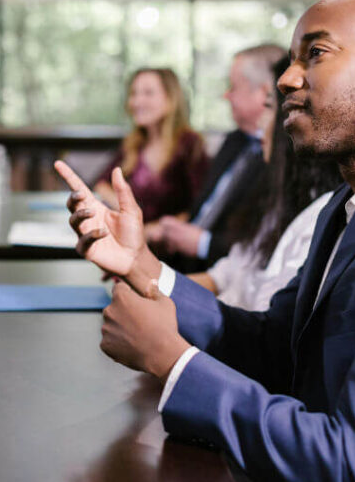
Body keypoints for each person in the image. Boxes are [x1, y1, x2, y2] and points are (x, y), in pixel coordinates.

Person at [56, 0, 355, 482]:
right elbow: (279, 347)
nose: (286, 79)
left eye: (315, 54)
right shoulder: (353, 202)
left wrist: (174, 362)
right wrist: (145, 266)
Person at [190, 56, 342, 310]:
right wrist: (146, 279)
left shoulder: (319, 217)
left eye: (269, 107)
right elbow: (224, 275)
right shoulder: (278, 200)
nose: (261, 124)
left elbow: (263, 322)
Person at [149, 45, 284, 271]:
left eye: (233, 87)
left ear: (264, 92)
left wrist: (202, 243)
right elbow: (202, 208)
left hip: (221, 273)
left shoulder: (282, 160)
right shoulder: (235, 141)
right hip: (178, 259)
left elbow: (264, 249)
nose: (226, 95)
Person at [94, 68, 208, 223]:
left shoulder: (189, 143)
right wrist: (131, 214)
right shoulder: (134, 143)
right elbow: (101, 185)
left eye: (148, 93)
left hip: (171, 241)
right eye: (134, 94)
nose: (136, 102)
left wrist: (161, 230)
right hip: (134, 238)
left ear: (170, 99)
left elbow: (202, 205)